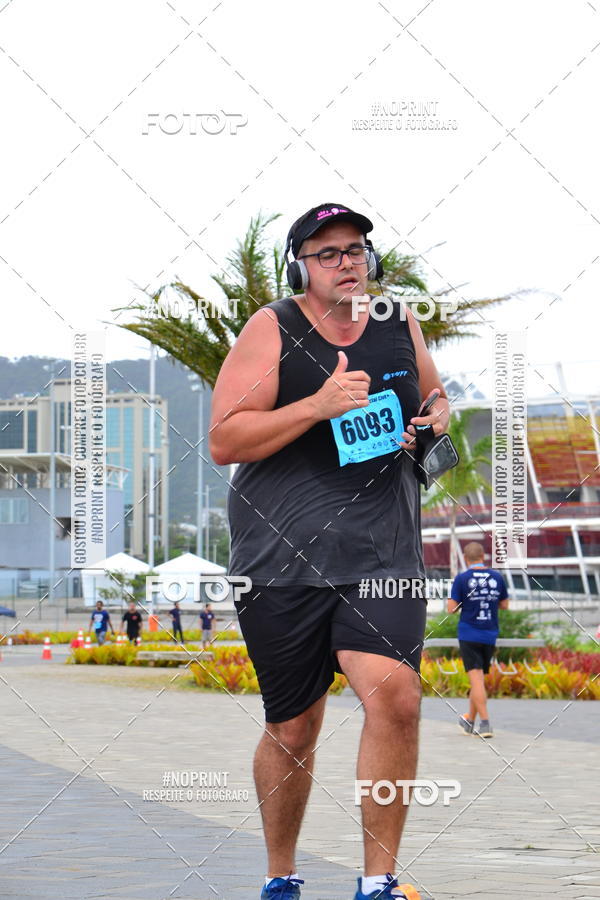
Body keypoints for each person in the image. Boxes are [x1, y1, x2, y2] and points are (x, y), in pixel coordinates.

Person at [210, 203, 450, 900]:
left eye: (356, 250)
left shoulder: (398, 321)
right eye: (328, 253)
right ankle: (281, 875)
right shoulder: (272, 328)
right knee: (293, 725)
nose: (347, 262)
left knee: (396, 698)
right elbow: (226, 438)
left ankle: (378, 882)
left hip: (383, 552)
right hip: (281, 555)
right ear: (301, 268)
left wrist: (432, 422)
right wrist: (318, 405)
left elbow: (434, 399)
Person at [447, 541, 510, 738]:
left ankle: (485, 724)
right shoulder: (497, 577)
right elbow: (505, 605)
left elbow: (451, 609)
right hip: (489, 634)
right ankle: (469, 720)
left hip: (469, 633)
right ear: (483, 556)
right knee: (478, 680)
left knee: (476, 681)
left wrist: (465, 603)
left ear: (465, 559)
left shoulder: (462, 578)